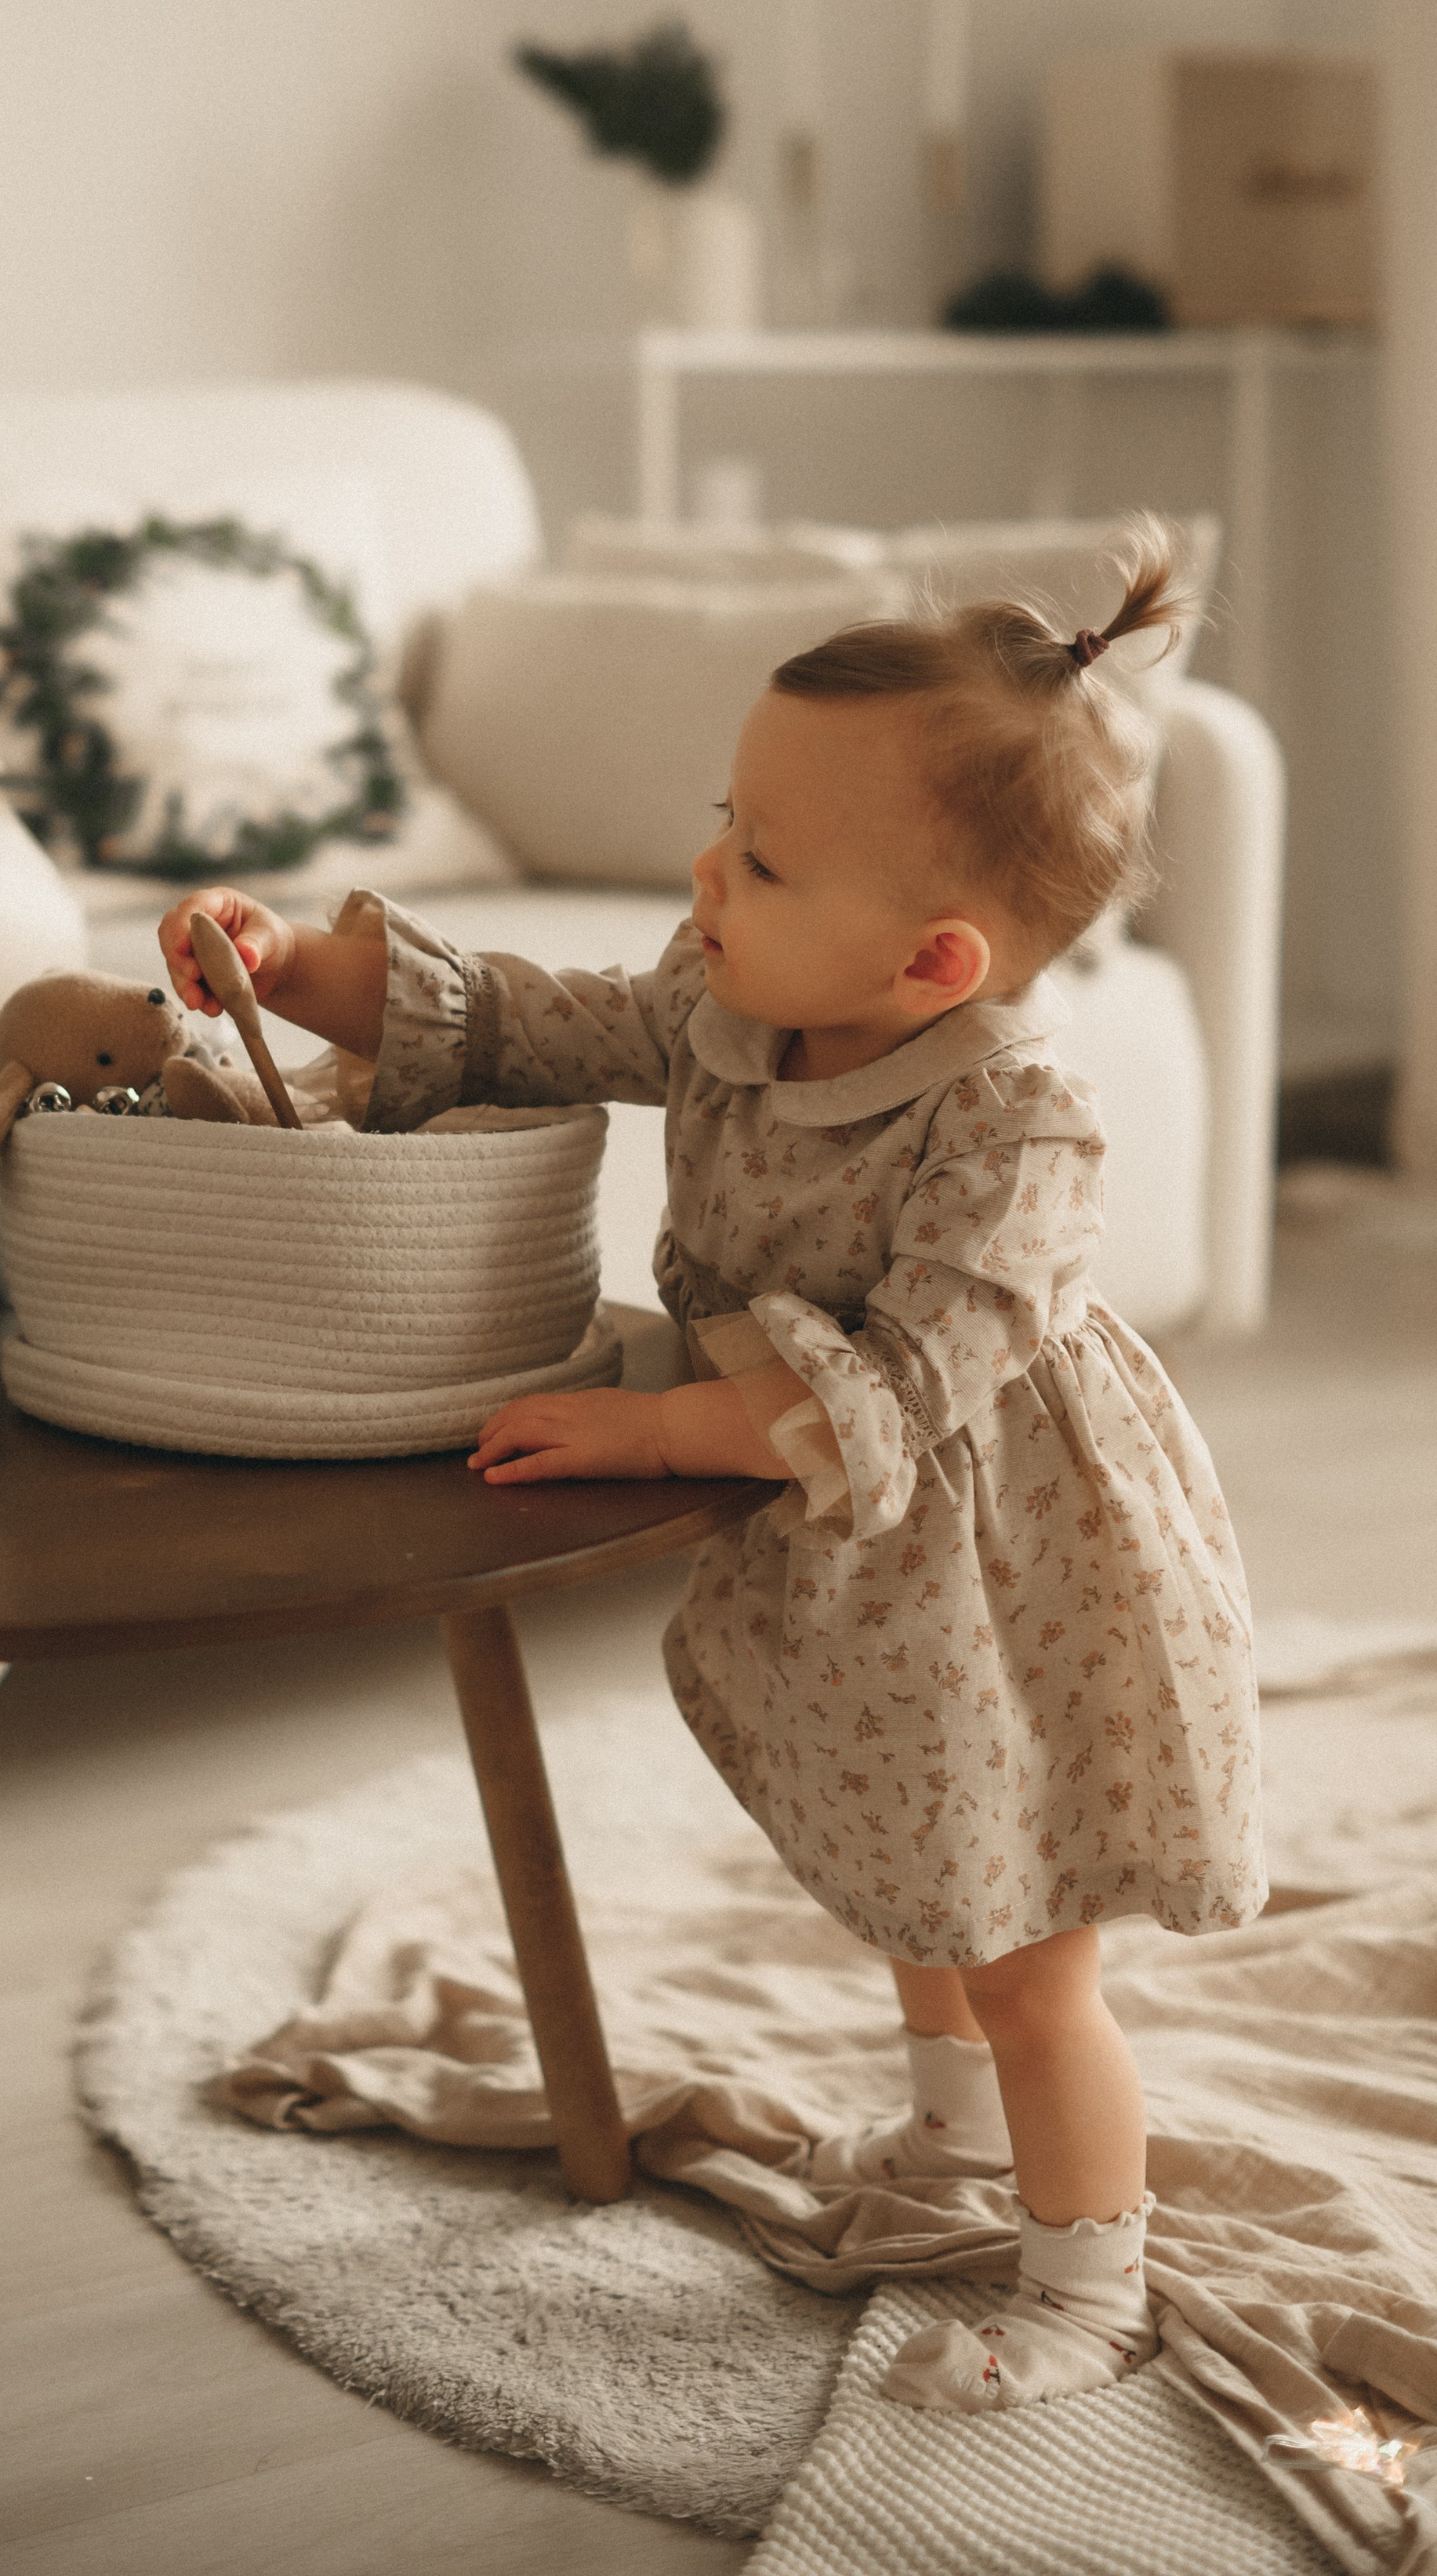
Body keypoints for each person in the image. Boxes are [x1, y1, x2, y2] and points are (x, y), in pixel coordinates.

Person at [158, 521, 1264, 2415]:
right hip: (867, 1555)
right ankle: (948, 2149)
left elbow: (909, 1383)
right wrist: (321, 976)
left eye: (759, 857)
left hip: (1014, 1568)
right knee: (920, 1880)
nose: (706, 874)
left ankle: (1088, 2284)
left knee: (1023, 1952)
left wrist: (661, 1421)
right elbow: (538, 1016)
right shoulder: (731, 999)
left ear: (935, 958)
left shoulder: (1015, 1124)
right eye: (721, 819)